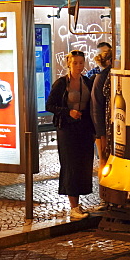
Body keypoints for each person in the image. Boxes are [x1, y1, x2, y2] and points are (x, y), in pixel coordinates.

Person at [46, 50, 95, 220]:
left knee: (83, 164)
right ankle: (74, 206)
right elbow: (50, 105)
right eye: (75, 63)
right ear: (69, 64)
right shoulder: (61, 83)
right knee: (71, 165)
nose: (79, 66)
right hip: (67, 129)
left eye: (81, 63)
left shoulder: (87, 82)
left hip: (84, 128)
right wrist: (68, 112)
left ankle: (79, 202)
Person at [90, 44, 113, 162]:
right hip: (104, 128)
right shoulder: (102, 77)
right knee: (104, 160)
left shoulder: (104, 76)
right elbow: (96, 108)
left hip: (105, 129)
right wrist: (100, 134)